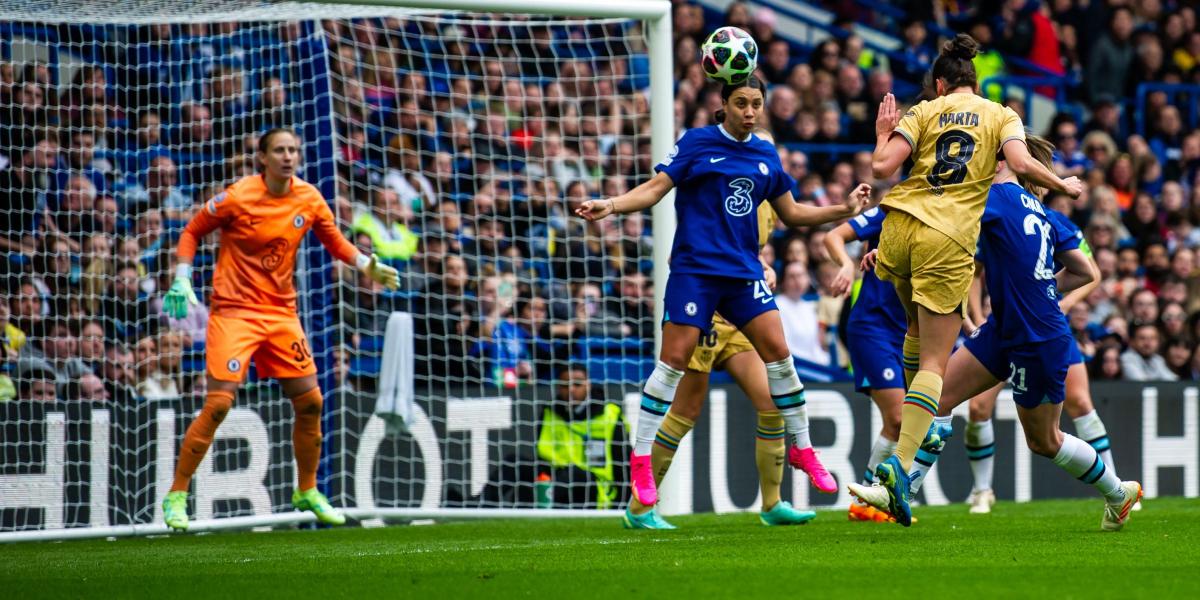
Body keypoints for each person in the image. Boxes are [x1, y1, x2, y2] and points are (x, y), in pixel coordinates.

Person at [576, 76, 871, 520]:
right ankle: (640, 471)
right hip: (696, 274)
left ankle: (801, 454)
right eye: (742, 103)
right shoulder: (696, 143)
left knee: (780, 356)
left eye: (756, 104)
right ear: (724, 105)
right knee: (673, 372)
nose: (750, 111)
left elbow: (792, 212)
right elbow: (657, 189)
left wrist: (843, 210)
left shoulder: (765, 156)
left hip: (742, 277)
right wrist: (613, 205)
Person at [853, 136, 1142, 532]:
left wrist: (896, 248)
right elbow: (1085, 271)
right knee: (935, 398)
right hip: (1005, 327)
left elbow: (938, 220)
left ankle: (1117, 492)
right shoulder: (1043, 212)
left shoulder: (992, 198)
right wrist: (1041, 288)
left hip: (1036, 337)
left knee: (1045, 441)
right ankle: (903, 488)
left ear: (1000, 160)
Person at [856, 34, 1082, 526]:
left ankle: (921, 433)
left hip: (898, 227)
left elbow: (881, 166)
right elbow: (1021, 165)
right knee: (936, 359)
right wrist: (1062, 184)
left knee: (915, 335)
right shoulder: (1001, 114)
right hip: (947, 236)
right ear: (975, 82)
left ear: (939, 83)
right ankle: (901, 460)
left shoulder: (921, 110)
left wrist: (881, 133)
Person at [158, 128, 400, 532]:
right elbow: (192, 230)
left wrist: (365, 265)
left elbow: (335, 241)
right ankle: (177, 494)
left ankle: (307, 489)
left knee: (311, 402)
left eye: (293, 150)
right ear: (263, 158)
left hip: (281, 314)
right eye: (280, 150)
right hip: (234, 313)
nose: (288, 157)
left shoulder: (308, 197)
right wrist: (182, 277)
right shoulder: (237, 196)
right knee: (218, 405)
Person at [624, 138, 826, 529]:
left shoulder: (767, 197)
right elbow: (686, 250)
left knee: (770, 401)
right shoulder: (717, 184)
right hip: (706, 313)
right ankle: (639, 507)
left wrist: (763, 269)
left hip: (741, 313)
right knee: (685, 411)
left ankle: (772, 503)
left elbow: (756, 247)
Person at [825, 206, 907, 522]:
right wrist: (846, 264)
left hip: (909, 332)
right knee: (900, 417)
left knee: (900, 423)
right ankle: (874, 498)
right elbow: (834, 236)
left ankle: (867, 502)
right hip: (872, 328)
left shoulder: (945, 217)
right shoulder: (891, 209)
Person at [479, 363, 629, 509]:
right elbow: (542, 456)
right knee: (514, 462)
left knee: (573, 473)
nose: (570, 390)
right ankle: (481, 505)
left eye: (577, 384)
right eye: (565, 385)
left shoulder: (610, 415)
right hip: (556, 474)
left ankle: (534, 504)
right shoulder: (549, 412)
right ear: (558, 387)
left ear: (588, 385)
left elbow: (624, 463)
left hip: (593, 485)